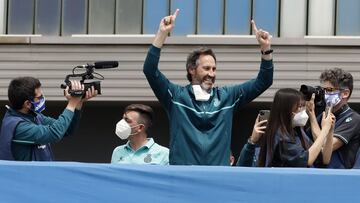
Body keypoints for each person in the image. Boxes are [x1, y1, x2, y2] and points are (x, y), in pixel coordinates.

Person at [143, 9, 273, 165]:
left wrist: (266, 48)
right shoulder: (176, 96)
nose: (211, 74)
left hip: (217, 179)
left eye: (214, 69)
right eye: (206, 68)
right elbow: (150, 70)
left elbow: (264, 81)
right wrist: (161, 34)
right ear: (191, 70)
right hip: (183, 179)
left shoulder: (227, 96)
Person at [0, 77, 97, 161]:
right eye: (39, 97)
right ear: (27, 104)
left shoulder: (35, 116)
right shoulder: (18, 126)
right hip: (26, 180)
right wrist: (72, 103)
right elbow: (54, 133)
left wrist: (78, 103)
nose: (43, 98)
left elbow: (67, 129)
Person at [257, 88, 335, 167]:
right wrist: (324, 130)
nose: (302, 111)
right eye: (299, 107)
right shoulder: (281, 136)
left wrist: (330, 131)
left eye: (303, 106)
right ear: (286, 110)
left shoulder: (297, 132)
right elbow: (307, 160)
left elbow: (325, 159)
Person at [307, 68, 360, 168]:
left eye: (329, 90)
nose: (325, 94)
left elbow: (324, 146)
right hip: (318, 172)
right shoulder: (323, 115)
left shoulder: (353, 119)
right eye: (324, 90)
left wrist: (312, 115)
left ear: (345, 93)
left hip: (339, 175)